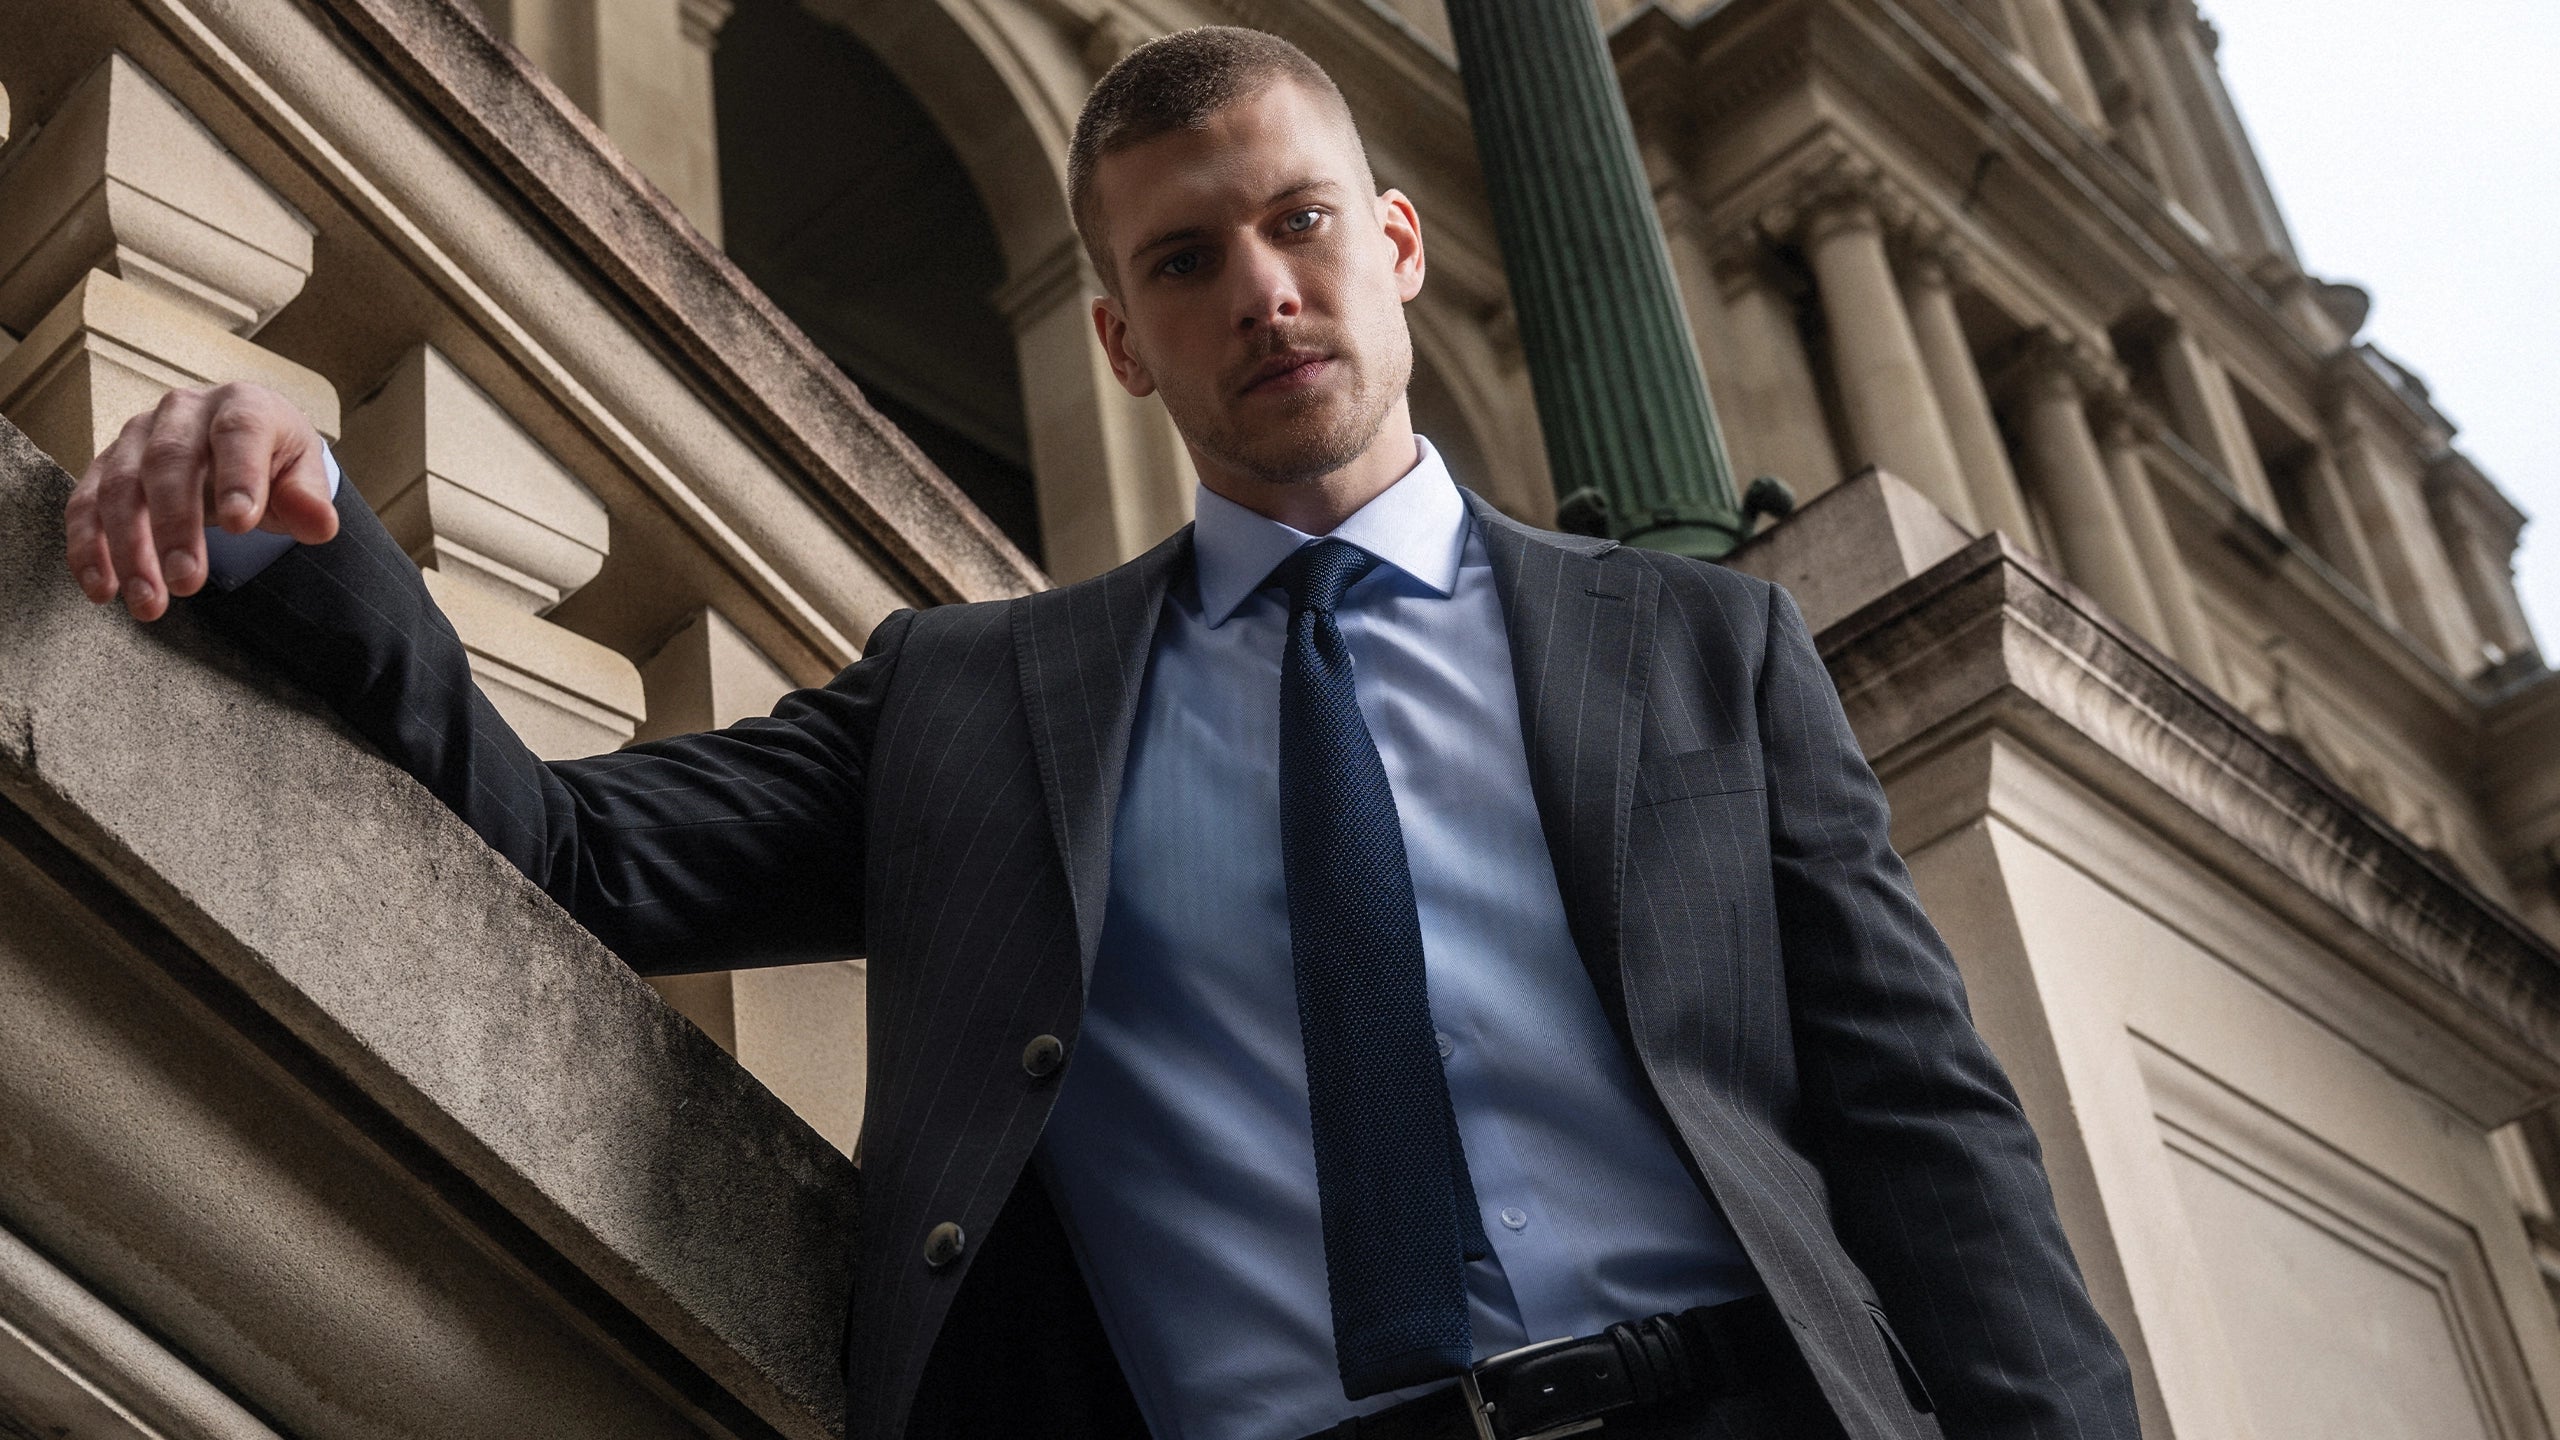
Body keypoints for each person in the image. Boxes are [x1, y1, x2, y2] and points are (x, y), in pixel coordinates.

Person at [60, 24, 2137, 1440]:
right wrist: (292, 525)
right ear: (1122, 339)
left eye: (1298, 221)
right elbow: (578, 850)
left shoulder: (1696, 655)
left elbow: (1922, 1132)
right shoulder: (980, 705)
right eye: (1183, 260)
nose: (1262, 290)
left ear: (1392, 246)